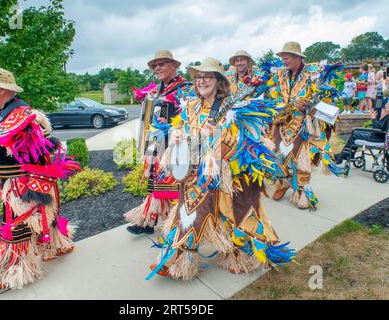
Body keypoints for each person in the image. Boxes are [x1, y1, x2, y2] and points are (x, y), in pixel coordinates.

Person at [147, 58, 295, 280]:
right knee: (187, 214)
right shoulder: (190, 105)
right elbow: (179, 126)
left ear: (218, 81)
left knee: (230, 216)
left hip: (225, 174)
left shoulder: (233, 108)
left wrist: (219, 135)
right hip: (193, 172)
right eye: (198, 77)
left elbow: (244, 144)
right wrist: (175, 134)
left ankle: (237, 255)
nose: (202, 81)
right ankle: (178, 262)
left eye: (208, 76)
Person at [0, 67, 80, 294]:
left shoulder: (27, 116)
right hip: (6, 183)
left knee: (15, 226)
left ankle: (10, 271)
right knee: (34, 220)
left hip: (23, 184)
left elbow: (42, 149)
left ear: (3, 90)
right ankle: (56, 245)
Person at [265, 41, 345, 210]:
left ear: (297, 57)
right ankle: (283, 183)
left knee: (301, 158)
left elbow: (326, 95)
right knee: (279, 155)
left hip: (304, 124)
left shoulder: (314, 73)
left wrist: (309, 105)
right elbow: (273, 95)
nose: (284, 61)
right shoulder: (280, 75)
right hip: (281, 122)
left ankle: (302, 192)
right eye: (282, 58)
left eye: (286, 58)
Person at [125, 50, 191, 235]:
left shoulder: (185, 89)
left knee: (173, 186)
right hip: (155, 146)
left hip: (175, 146)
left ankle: (175, 225)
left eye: (162, 64)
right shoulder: (155, 91)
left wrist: (172, 128)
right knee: (155, 184)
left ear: (174, 65)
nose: (157, 68)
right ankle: (148, 221)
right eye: (155, 65)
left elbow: (189, 118)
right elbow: (149, 116)